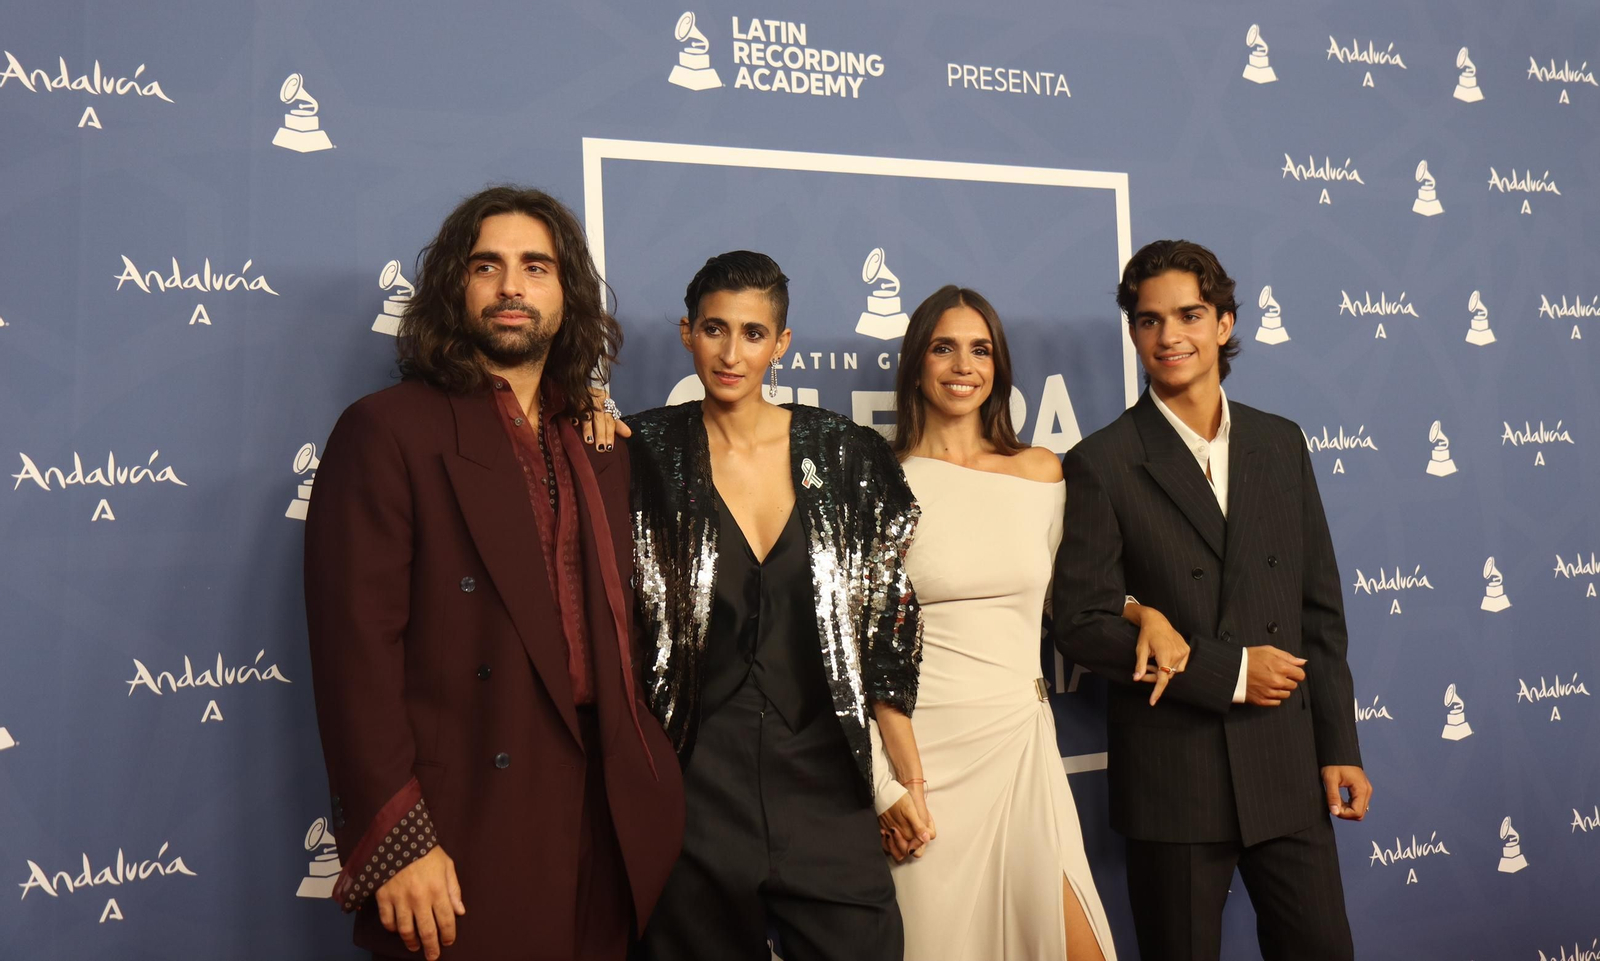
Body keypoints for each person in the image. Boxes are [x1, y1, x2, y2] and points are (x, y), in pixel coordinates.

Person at [303, 185, 683, 961]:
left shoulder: (600, 446)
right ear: (456, 286)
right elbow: (355, 657)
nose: (512, 286)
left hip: (602, 816)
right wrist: (398, 840)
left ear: (566, 295)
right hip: (463, 819)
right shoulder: (387, 430)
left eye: (536, 267)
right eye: (488, 266)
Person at [1053, 239, 1371, 961]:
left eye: (1189, 315)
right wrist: (1229, 673)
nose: (1169, 336)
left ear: (1224, 323)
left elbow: (1319, 614)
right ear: (1134, 332)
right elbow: (1083, 623)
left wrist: (1338, 748)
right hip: (1176, 782)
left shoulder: (1280, 443)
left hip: (1287, 769)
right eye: (1149, 320)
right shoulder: (1102, 461)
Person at [627, 251, 930, 961]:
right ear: (687, 332)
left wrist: (901, 777)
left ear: (782, 343)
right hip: (694, 780)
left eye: (753, 333)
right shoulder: (640, 452)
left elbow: (888, 616)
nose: (732, 354)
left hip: (823, 771)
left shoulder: (847, 453)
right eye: (714, 329)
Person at [885, 284, 1116, 961]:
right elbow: (854, 648)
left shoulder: (1041, 473)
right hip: (922, 760)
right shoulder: (882, 482)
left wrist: (1142, 612)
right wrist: (884, 785)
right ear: (916, 364)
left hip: (1018, 743)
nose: (964, 366)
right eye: (944, 348)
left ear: (998, 366)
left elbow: (1076, 598)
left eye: (980, 350)